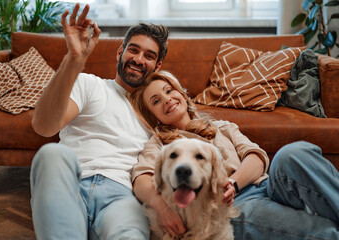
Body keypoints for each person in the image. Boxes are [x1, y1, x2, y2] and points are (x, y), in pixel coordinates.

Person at [129, 70, 339, 240]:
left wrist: (233, 182)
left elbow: (256, 157)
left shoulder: (221, 126)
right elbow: (141, 178)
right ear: (153, 116)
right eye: (156, 101)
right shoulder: (160, 144)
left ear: (182, 94)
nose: (166, 100)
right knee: (322, 231)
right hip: (234, 205)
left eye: (169, 90)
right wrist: (161, 207)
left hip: (265, 184)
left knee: (291, 154)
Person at [30, 3, 169, 240]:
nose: (138, 58)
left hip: (122, 196)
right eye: (133, 50)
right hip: (71, 184)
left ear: (157, 67)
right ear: (120, 52)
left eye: (149, 56)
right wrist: (75, 58)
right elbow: (44, 127)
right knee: (51, 154)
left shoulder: (159, 110)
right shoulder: (89, 84)